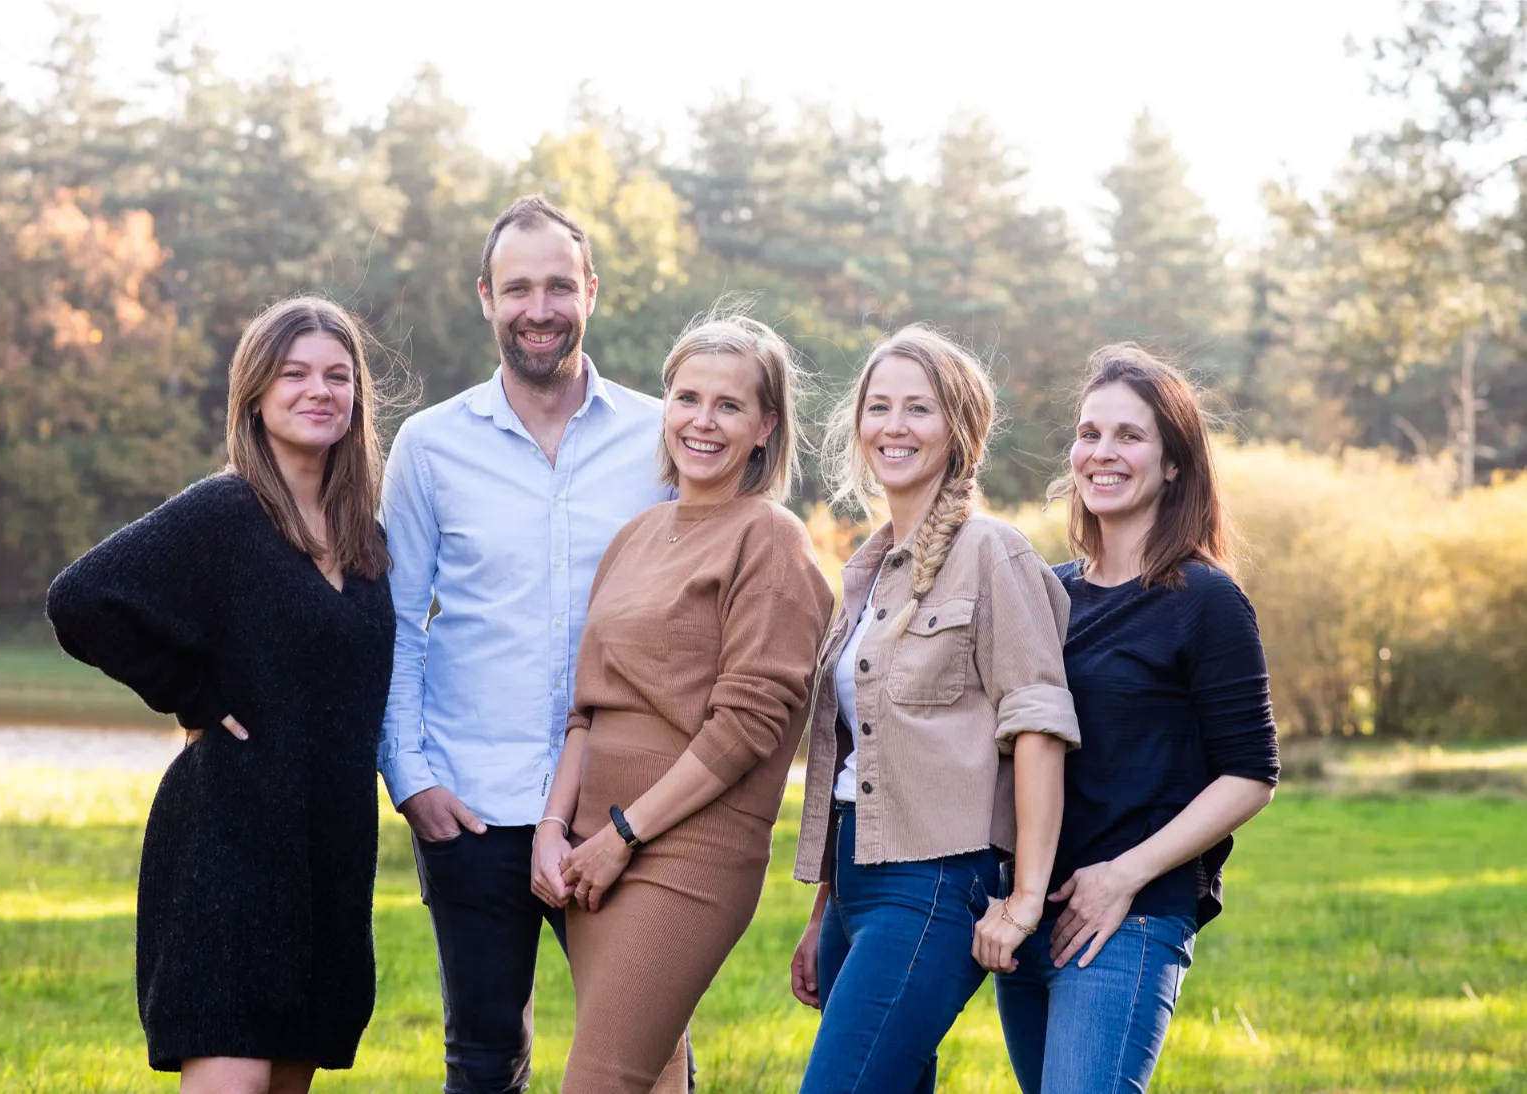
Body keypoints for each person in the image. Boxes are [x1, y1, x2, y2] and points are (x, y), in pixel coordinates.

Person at [45, 296, 396, 1094]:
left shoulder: (364, 532)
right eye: (295, 373)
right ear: (256, 394)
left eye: (338, 376)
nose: (320, 391)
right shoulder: (225, 511)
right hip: (229, 846)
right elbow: (82, 597)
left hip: (329, 855)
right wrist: (191, 696)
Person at [377, 195, 674, 1094]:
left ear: (591, 291)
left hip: (626, 803)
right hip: (473, 802)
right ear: (485, 298)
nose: (537, 308)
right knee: (482, 1062)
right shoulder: (429, 448)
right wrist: (412, 777)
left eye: (556, 286)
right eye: (517, 289)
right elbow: (396, 623)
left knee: (648, 1059)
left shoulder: (662, 437)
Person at [529, 312, 833, 1094]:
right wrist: (554, 830)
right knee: (656, 1075)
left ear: (766, 426)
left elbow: (749, 726)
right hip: (592, 846)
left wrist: (625, 835)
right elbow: (584, 712)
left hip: (686, 851)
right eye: (687, 397)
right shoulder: (636, 534)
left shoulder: (771, 538)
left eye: (729, 405)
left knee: (599, 1078)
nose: (702, 421)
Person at [790, 325, 1080, 1094]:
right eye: (878, 407)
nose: (893, 426)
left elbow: (1040, 728)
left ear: (958, 430)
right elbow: (865, 752)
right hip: (855, 883)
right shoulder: (867, 571)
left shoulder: (994, 554)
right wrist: (825, 913)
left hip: (935, 882)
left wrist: (1022, 901)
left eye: (917, 409)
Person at [992, 344, 1281, 1094]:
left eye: (1130, 435)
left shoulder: (1205, 601)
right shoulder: (1046, 594)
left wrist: (1123, 877)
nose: (1102, 452)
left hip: (1129, 920)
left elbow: (1250, 776)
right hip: (1026, 916)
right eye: (1090, 433)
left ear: (1175, 464)